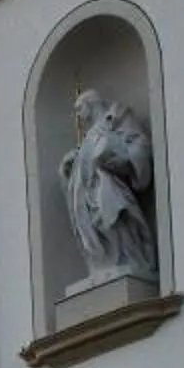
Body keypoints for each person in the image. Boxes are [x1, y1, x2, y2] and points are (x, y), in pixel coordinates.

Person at [60, 91, 158, 287]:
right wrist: (70, 165)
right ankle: (102, 266)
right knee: (94, 226)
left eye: (79, 109)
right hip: (87, 194)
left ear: (91, 103)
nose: (78, 116)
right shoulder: (89, 135)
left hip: (110, 185)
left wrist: (122, 157)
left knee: (115, 215)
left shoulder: (117, 116)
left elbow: (139, 143)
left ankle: (129, 259)